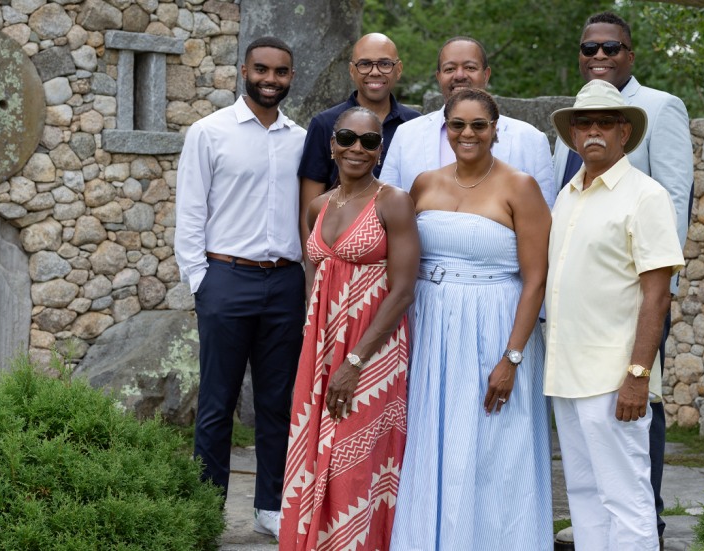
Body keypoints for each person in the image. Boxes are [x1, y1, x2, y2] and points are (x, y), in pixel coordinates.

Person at [551, 12, 694, 543]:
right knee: (586, 494)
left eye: (605, 123)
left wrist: (639, 368)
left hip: (618, 357)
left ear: (624, 130)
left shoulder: (645, 188)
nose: (593, 131)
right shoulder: (569, 193)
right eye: (584, 125)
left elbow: (659, 272)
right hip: (570, 364)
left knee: (627, 493)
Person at [390, 88, 553, 550]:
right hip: (431, 327)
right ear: (446, 129)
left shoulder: (520, 186)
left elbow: (536, 278)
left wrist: (512, 356)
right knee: (430, 440)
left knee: (494, 448)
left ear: (495, 130)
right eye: (458, 125)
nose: (468, 133)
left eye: (479, 125)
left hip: (494, 324)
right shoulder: (424, 183)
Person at [175, 36, 306, 539]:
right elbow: (190, 211)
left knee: (278, 403)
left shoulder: (302, 138)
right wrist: (201, 282)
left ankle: (270, 507)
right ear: (244, 70)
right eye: (262, 70)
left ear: (291, 76)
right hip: (226, 278)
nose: (271, 79)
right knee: (216, 403)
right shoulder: (209, 133)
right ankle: (206, 510)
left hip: (285, 282)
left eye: (281, 71)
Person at [279, 107, 420, 550]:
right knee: (315, 449)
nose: (358, 147)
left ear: (380, 151)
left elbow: (402, 291)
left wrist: (356, 360)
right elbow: (314, 275)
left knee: (356, 461)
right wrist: (314, 339)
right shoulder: (318, 207)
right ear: (332, 145)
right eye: (348, 137)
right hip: (321, 347)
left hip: (373, 352)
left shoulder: (393, 202)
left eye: (370, 141)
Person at [380, 37, 555, 207]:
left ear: (486, 75)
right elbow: (384, 206)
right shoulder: (406, 135)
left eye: (470, 67)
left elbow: (545, 215)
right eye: (449, 69)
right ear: (438, 77)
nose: (460, 75)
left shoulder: (530, 139)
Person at [298, 33, 421, 247]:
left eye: (384, 64)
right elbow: (309, 207)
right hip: (338, 249)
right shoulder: (325, 124)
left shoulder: (415, 126)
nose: (375, 72)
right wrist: (314, 271)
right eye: (365, 64)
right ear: (352, 70)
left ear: (398, 70)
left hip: (404, 247)